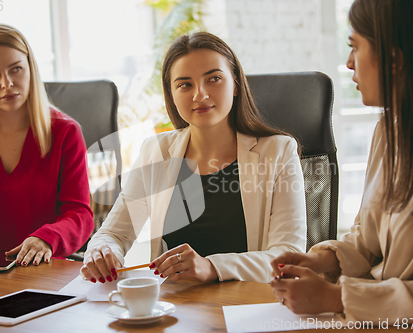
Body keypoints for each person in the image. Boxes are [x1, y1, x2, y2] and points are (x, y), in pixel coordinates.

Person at [270, 0, 413, 322]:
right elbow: (370, 240)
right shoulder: (391, 132)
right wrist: (322, 260)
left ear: (394, 59)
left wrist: (336, 297)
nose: (350, 63)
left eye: (355, 47)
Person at [81, 32, 306, 284]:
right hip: (176, 306)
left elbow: (289, 255)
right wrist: (102, 252)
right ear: (172, 94)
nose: (200, 94)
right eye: (185, 84)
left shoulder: (278, 151)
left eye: (214, 79)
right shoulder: (156, 150)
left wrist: (211, 266)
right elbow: (114, 233)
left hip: (247, 305)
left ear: (235, 84)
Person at [0, 24, 94, 267]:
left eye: (15, 69)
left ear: (30, 68)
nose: (7, 83)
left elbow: (79, 214)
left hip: (43, 272)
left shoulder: (65, 132)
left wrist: (47, 239)